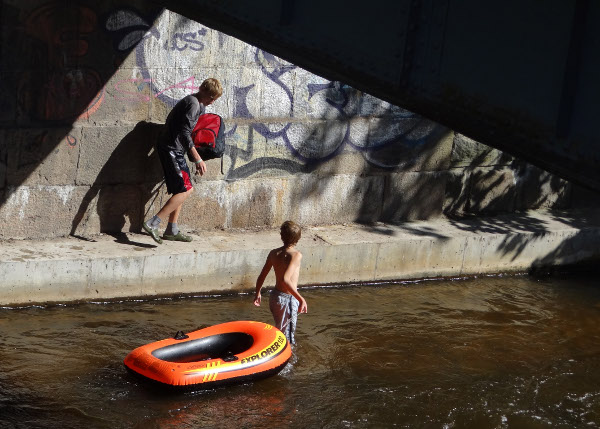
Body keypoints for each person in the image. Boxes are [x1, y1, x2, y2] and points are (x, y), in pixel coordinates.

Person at [143, 78, 223, 244]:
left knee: (181, 189)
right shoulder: (193, 104)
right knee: (186, 190)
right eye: (211, 96)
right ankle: (153, 223)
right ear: (202, 90)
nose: (212, 101)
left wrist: (196, 155)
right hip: (172, 149)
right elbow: (185, 133)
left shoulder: (197, 104)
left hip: (175, 149)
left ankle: (172, 229)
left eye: (215, 98)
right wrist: (198, 159)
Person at [254, 220, 308, 344]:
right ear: (298, 238)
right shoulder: (296, 255)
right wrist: (301, 299)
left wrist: (258, 293)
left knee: (280, 331)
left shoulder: (273, 253)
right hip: (287, 300)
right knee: (287, 338)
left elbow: (262, 276)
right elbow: (285, 279)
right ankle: (286, 363)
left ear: (281, 236)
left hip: (275, 298)